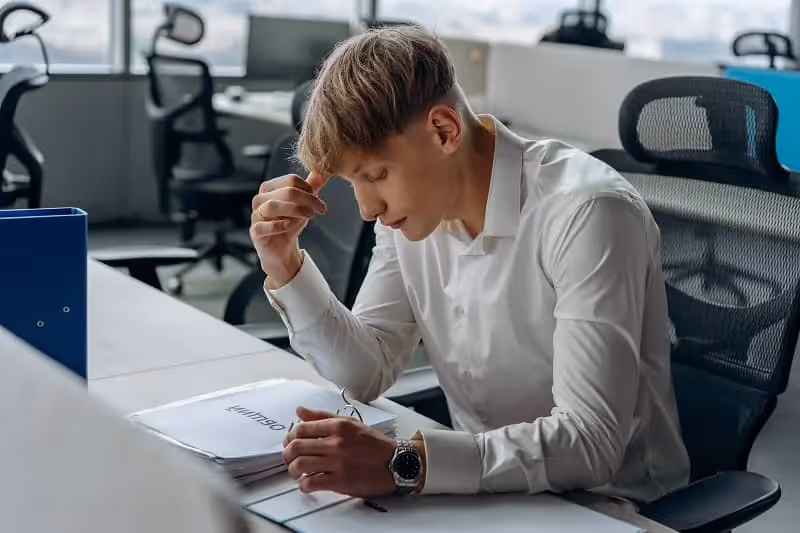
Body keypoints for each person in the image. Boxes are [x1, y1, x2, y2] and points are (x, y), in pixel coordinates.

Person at [249, 25, 690, 503]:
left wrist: (406, 463)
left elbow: (590, 443)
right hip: (482, 492)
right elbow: (365, 371)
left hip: (612, 506)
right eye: (354, 182)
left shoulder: (588, 212)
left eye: (376, 175)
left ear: (444, 130)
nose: (367, 209)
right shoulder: (414, 213)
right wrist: (285, 264)